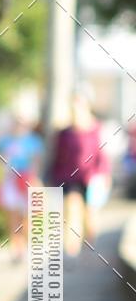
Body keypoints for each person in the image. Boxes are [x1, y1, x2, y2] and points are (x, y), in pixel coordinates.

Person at [50, 92, 112, 257]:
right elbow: (58, 157)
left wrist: (105, 175)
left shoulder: (97, 129)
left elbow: (103, 155)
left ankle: (89, 242)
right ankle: (71, 249)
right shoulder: (64, 133)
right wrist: (54, 177)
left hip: (92, 178)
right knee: (72, 210)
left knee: (90, 216)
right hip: (70, 178)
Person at [0, 116, 43, 262]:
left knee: (28, 217)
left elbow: (37, 162)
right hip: (11, 181)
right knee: (13, 216)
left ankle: (26, 245)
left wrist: (32, 179)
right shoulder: (5, 141)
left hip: (27, 181)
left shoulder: (34, 142)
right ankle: (16, 248)